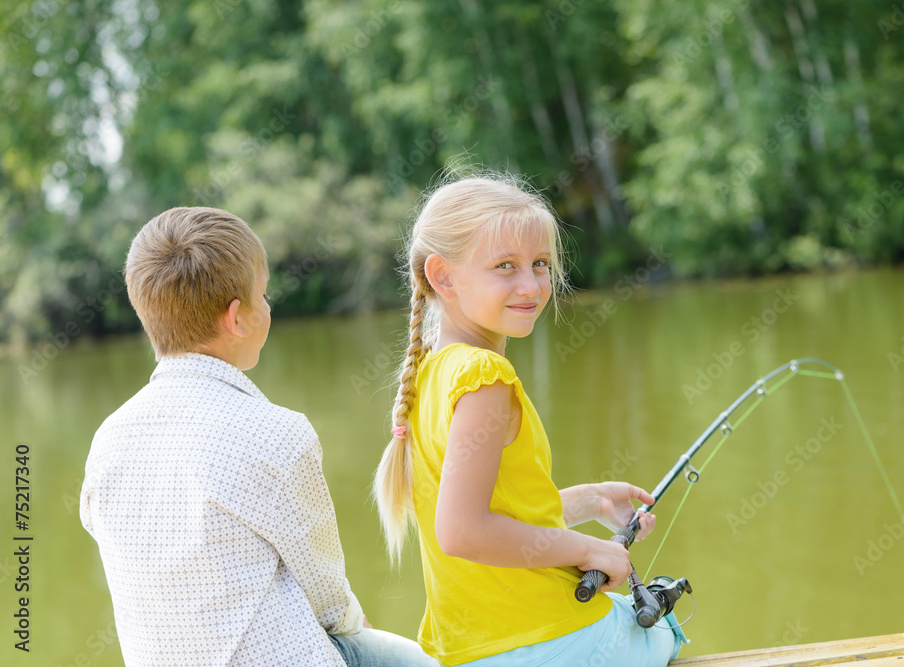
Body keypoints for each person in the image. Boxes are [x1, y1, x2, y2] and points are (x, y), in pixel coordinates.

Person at [80, 207, 438, 667]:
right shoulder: (276, 434)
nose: (268, 306)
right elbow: (329, 601)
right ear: (237, 319)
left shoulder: (107, 441)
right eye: (264, 296)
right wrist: (356, 624)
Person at [373, 174, 689, 666]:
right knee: (664, 627)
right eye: (505, 266)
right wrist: (587, 550)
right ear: (443, 276)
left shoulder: (431, 371)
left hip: (468, 651)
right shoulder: (484, 376)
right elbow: (462, 531)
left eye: (540, 264)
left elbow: (489, 513)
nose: (531, 285)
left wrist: (587, 500)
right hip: (544, 643)